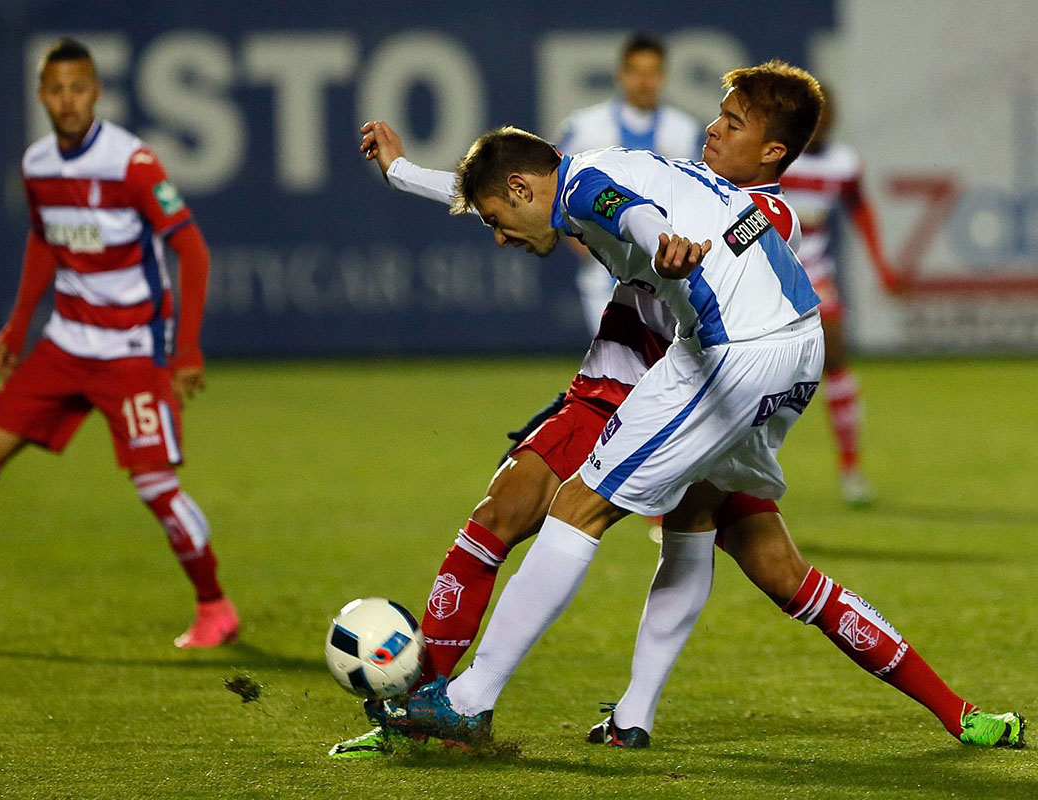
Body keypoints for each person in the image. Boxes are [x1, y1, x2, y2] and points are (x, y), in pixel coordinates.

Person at [359, 62, 1023, 752]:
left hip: (720, 357)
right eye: (720, 115)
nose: (713, 128)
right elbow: (538, 193)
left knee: (577, 507)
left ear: (773, 151)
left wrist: (661, 245)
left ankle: (468, 699)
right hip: (783, 353)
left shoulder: (739, 208)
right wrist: (404, 173)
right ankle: (638, 715)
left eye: (733, 122)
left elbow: (625, 212)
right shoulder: (672, 180)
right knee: (733, 543)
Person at [0, 38, 239, 650]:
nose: (67, 101)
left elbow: (192, 250)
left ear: (96, 92)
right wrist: (17, 324)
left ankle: (214, 606)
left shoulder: (131, 163)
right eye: (56, 90)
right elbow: (43, 241)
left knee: (155, 488)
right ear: (42, 96)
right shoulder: (37, 164)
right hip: (65, 346)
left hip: (131, 350)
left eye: (78, 88)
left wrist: (185, 349)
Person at [780, 86, 896, 506]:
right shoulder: (776, 154)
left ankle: (851, 470)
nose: (819, 123)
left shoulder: (844, 164)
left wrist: (882, 266)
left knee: (837, 357)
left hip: (814, 273)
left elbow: (860, 209)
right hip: (765, 271)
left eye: (825, 114)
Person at [556, 33, 702, 332]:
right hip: (603, 271)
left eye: (652, 72)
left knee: (664, 358)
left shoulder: (684, 130)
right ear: (620, 75)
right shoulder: (585, 127)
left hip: (665, 271)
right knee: (613, 357)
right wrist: (575, 237)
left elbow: (698, 195)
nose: (644, 81)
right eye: (636, 71)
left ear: (663, 76)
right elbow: (554, 184)